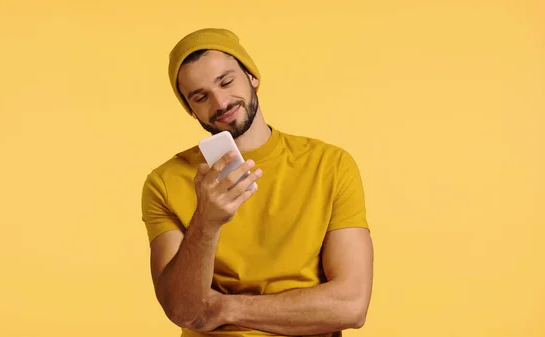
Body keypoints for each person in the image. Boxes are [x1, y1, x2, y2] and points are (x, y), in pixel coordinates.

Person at [141, 28, 374, 337]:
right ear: (190, 109)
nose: (221, 102)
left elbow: (351, 306)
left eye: (226, 81)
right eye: (200, 96)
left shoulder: (331, 165)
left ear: (251, 76)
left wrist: (225, 307)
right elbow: (184, 311)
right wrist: (206, 222)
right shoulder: (165, 182)